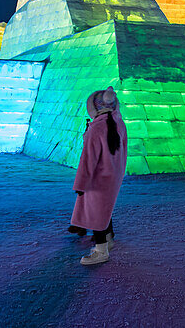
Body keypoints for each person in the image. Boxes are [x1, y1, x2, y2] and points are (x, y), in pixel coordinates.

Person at [69, 87, 128, 266]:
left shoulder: (97, 128)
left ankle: (101, 250)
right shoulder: (119, 122)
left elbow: (88, 160)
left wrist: (80, 184)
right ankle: (109, 238)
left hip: (97, 178)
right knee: (104, 208)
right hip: (113, 176)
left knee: (95, 212)